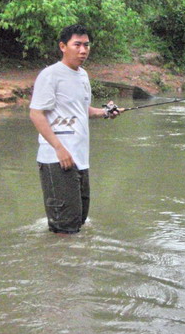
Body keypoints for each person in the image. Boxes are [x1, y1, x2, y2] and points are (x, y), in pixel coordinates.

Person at [29, 24, 121, 236]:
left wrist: (104, 112)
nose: (83, 50)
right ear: (63, 46)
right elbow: (36, 113)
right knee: (65, 228)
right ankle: (58, 266)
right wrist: (59, 148)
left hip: (80, 159)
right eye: (77, 45)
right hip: (57, 159)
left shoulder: (83, 75)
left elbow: (81, 109)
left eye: (86, 45)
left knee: (79, 222)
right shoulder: (50, 75)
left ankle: (75, 266)